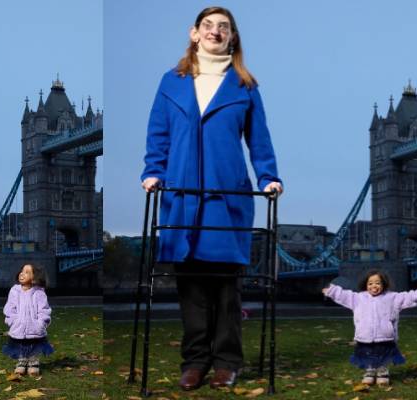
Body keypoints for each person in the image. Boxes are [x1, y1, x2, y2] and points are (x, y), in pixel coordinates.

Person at [140, 6, 283, 391]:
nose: (215, 31)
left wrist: (268, 177)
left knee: (225, 287)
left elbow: (259, 140)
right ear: (194, 33)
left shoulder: (245, 86)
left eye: (224, 27)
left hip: (227, 194)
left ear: (232, 37)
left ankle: (226, 362)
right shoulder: (171, 82)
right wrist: (152, 171)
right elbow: (158, 134)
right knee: (191, 287)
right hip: (181, 193)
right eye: (209, 25)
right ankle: (195, 361)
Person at [323, 270, 417, 386]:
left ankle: (382, 372)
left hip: (385, 335)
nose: (374, 286)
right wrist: (331, 291)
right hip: (365, 335)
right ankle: (369, 372)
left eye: (377, 283)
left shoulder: (391, 297)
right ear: (366, 285)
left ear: (383, 284)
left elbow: (407, 297)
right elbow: (344, 295)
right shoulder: (358, 298)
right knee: (367, 354)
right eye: (370, 283)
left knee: (383, 355)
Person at [2, 264, 54, 376]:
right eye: (21, 271)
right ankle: (22, 361)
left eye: (26, 272)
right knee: (21, 344)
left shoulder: (39, 292)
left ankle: (33, 361)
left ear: (34, 278)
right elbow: (9, 308)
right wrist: (12, 321)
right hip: (18, 326)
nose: (22, 273)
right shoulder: (14, 291)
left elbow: (44, 310)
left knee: (33, 344)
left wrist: (41, 323)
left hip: (35, 327)